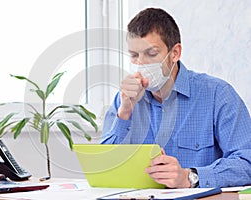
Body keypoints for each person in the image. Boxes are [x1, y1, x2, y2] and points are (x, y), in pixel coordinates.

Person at [101, 7, 251, 188]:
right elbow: (105, 166)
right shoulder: (125, 100)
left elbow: (246, 162)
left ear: (175, 53)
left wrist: (189, 177)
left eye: (151, 53)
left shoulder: (218, 95)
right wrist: (124, 112)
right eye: (134, 55)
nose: (140, 63)